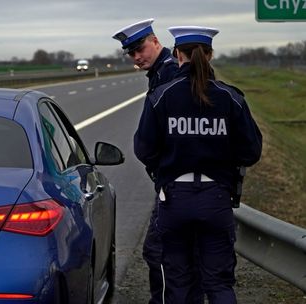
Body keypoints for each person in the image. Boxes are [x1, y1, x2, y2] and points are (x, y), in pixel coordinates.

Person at [133, 25, 262, 303]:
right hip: (217, 198)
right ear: (211, 55)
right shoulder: (230, 97)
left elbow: (143, 148)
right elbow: (251, 151)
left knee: (177, 282)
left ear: (177, 54)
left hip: (174, 200)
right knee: (218, 283)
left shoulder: (161, 96)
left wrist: (166, 167)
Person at [113, 19, 204, 304]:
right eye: (131, 54)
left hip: (176, 182)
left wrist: (160, 166)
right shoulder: (161, 72)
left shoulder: (170, 74)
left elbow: (165, 134)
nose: (137, 57)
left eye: (140, 49)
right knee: (185, 254)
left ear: (154, 40)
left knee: (159, 252)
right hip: (184, 181)